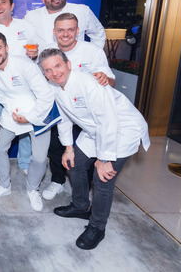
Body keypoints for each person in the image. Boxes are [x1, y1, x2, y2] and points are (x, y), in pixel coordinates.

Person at [39, 48, 150, 250]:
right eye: (48, 70)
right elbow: (63, 119)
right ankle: (81, 206)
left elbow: (108, 121)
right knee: (75, 163)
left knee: (102, 177)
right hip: (95, 130)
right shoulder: (54, 87)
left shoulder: (90, 84)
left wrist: (104, 158)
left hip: (122, 130)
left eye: (57, 66)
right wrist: (69, 148)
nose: (54, 72)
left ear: (68, 64)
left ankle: (97, 227)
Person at [0, 32, 54, 211]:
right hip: (11, 116)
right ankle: (4, 185)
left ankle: (33, 189)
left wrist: (30, 117)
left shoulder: (25, 65)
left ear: (7, 48)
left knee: (40, 158)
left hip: (38, 114)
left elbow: (46, 95)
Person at [39, 13, 115, 201]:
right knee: (57, 145)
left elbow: (110, 80)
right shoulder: (48, 53)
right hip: (63, 107)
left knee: (89, 152)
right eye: (61, 30)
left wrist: (106, 79)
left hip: (89, 112)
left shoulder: (93, 51)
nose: (65, 34)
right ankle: (57, 181)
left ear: (78, 31)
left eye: (70, 29)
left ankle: (85, 186)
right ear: (54, 32)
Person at [24, 0, 106, 50]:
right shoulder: (32, 17)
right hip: (45, 65)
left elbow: (98, 34)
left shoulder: (82, 10)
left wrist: (93, 55)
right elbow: (22, 39)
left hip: (77, 64)